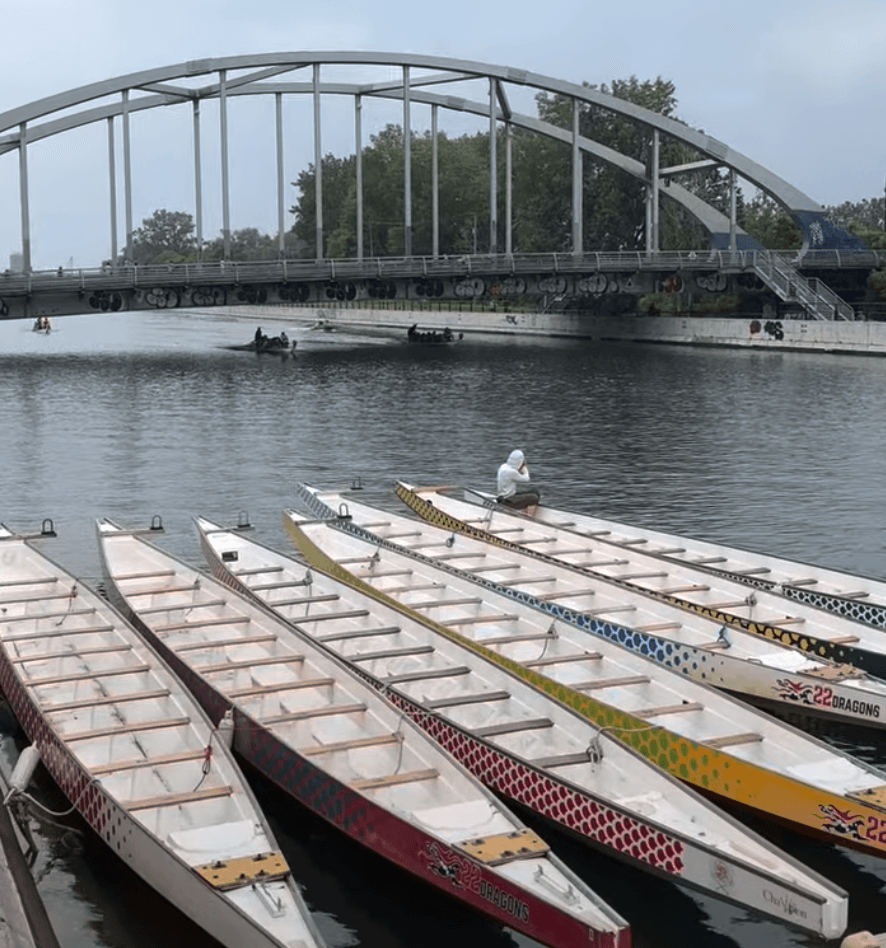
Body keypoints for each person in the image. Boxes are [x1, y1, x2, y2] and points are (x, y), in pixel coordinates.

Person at [496, 449, 540, 514]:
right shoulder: (511, 472)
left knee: (535, 491)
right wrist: (525, 469)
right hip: (507, 501)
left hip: (503, 497)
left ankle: (527, 510)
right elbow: (526, 479)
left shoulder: (503, 466)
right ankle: (528, 514)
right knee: (534, 498)